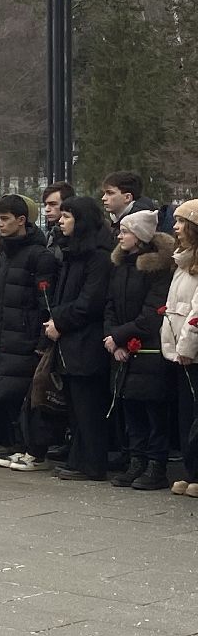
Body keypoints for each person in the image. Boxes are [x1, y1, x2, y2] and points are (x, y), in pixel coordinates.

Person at [43, 196, 114, 481]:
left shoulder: (97, 256)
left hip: (86, 338)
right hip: (71, 338)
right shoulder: (74, 253)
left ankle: (92, 462)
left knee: (88, 406)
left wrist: (60, 321)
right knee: (76, 405)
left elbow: (90, 301)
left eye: (68, 216)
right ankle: (79, 457)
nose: (61, 220)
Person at [105, 210, 176, 490]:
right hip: (123, 348)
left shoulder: (157, 269)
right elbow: (109, 304)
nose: (120, 236)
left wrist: (121, 335)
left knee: (153, 409)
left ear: (141, 236)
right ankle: (136, 460)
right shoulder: (121, 265)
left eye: (126, 231)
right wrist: (113, 338)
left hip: (149, 350)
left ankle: (155, 464)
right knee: (130, 406)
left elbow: (153, 313)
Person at [0, 195, 59, 472]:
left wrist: (41, 339)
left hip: (27, 336)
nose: (0, 225)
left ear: (21, 220)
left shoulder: (39, 255)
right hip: (5, 334)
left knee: (29, 395)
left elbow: (46, 302)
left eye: (5, 219)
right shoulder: (2, 252)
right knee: (6, 392)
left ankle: (33, 450)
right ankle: (16, 445)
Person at [165, 200, 198, 497]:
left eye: (181, 222)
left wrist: (187, 344)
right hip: (181, 351)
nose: (175, 228)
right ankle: (191, 471)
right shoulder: (182, 262)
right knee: (186, 413)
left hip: (192, 351)